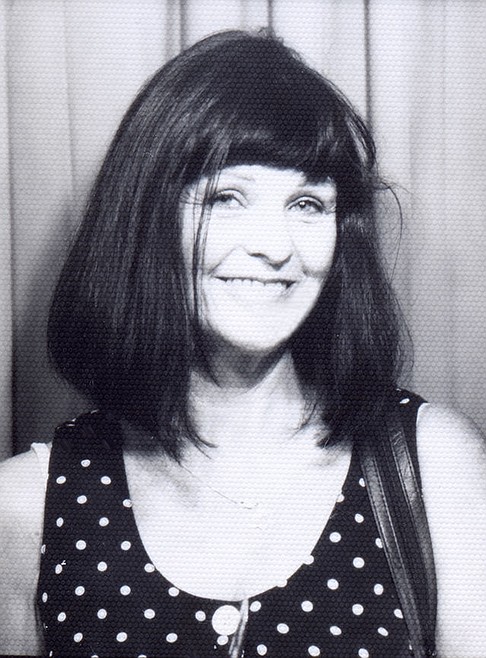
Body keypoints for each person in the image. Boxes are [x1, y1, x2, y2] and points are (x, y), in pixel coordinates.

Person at [0, 28, 485, 658]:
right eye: (228, 198)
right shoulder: (25, 506)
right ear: (146, 218)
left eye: (308, 205)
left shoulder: (433, 467)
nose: (276, 247)